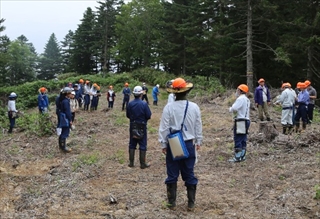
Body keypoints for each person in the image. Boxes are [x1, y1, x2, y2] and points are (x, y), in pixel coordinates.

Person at [159, 77, 203, 211]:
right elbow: (198, 125)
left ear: (173, 92)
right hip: (189, 143)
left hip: (173, 143)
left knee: (172, 173)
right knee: (189, 172)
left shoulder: (169, 107)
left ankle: (171, 202)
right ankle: (191, 203)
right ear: (186, 91)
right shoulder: (194, 107)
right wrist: (199, 141)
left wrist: (163, 144)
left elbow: (164, 127)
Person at [126, 86, 152, 169]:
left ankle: (131, 163)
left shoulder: (130, 103)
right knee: (143, 144)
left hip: (133, 125)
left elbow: (128, 115)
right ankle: (142, 163)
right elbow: (148, 115)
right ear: (141, 94)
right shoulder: (144, 104)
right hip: (142, 125)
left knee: (132, 143)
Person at [229, 84, 250, 162]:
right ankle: (242, 156)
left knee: (238, 138)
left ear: (241, 91)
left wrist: (230, 109)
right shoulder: (247, 99)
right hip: (247, 120)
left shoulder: (240, 99)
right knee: (243, 138)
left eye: (238, 90)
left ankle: (237, 157)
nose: (237, 91)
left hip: (241, 121)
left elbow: (234, 108)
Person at [58, 87, 73, 152]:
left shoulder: (62, 100)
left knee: (63, 132)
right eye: (70, 93)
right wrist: (70, 120)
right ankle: (63, 147)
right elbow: (68, 112)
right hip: (66, 118)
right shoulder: (66, 101)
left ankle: (61, 146)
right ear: (67, 94)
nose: (71, 94)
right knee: (65, 132)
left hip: (63, 117)